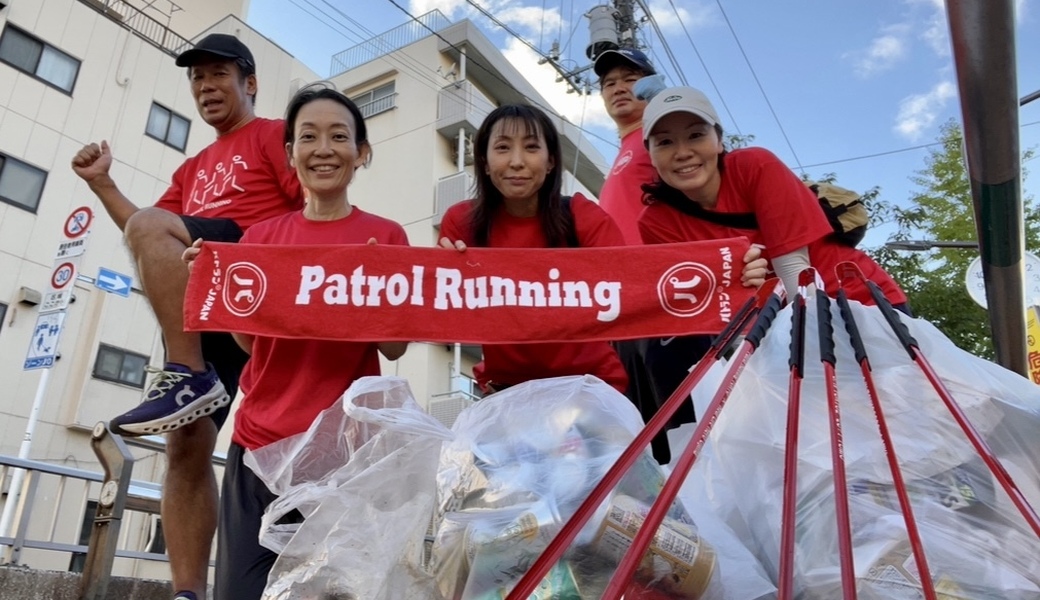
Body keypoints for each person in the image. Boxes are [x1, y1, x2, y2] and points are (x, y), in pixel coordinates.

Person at [71, 34, 302, 600]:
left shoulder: (272, 135)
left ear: (250, 83)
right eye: (197, 78)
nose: (206, 86)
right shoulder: (193, 167)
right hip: (206, 300)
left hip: (255, 274)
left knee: (289, 437)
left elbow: (309, 203)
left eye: (219, 74)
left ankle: (186, 374)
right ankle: (187, 592)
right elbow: (146, 230)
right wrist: (103, 183)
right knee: (186, 446)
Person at [183, 83, 409, 600]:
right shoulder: (260, 240)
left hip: (344, 453)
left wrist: (375, 281)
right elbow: (250, 345)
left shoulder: (386, 236)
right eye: (308, 137)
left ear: (362, 152)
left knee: (334, 593)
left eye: (339, 137)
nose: (323, 149)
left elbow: (395, 347)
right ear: (290, 154)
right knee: (241, 592)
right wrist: (214, 281)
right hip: (259, 445)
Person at [437, 104, 767, 394]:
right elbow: (439, 311)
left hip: (591, 388)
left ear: (551, 161)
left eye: (532, 147)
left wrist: (728, 272)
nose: (517, 161)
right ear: (484, 160)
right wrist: (443, 278)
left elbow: (639, 280)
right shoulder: (461, 222)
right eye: (502, 148)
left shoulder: (580, 215)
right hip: (504, 392)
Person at [639, 85, 908, 310]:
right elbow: (703, 304)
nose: (683, 152)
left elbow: (794, 272)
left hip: (859, 302)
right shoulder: (656, 223)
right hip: (769, 327)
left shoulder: (754, 166)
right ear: (650, 154)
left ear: (719, 141)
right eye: (665, 142)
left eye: (696, 135)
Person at [593, 48, 704, 462]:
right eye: (609, 83)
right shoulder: (625, 152)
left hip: (665, 299)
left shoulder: (657, 141)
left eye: (630, 78)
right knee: (646, 438)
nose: (618, 87)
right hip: (625, 308)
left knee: (683, 431)